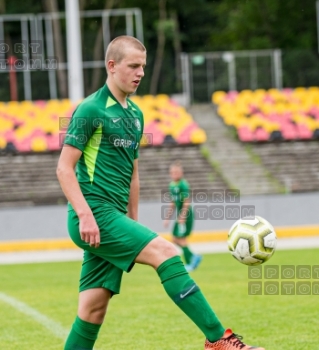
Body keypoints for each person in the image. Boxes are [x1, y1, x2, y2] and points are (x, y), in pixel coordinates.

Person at [56, 35, 265, 350]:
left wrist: (134, 223)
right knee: (167, 253)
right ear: (112, 66)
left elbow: (133, 174)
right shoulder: (90, 109)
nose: (140, 73)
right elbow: (63, 168)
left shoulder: (136, 116)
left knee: (92, 310)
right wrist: (85, 214)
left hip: (113, 218)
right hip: (94, 214)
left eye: (143, 66)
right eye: (133, 66)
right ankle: (218, 340)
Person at [163, 160, 202, 272]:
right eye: (173, 172)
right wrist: (167, 218)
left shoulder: (183, 184)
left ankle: (190, 263)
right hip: (180, 215)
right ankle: (194, 257)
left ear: (181, 173)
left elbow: (186, 201)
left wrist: (183, 216)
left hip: (185, 215)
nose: (174, 173)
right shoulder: (172, 185)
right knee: (175, 238)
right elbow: (173, 203)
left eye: (177, 172)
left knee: (181, 239)